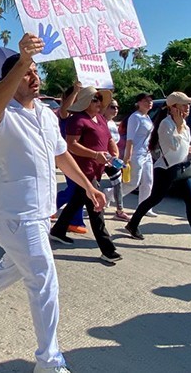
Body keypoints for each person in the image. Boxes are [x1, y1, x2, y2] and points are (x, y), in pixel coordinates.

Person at [0, 34, 105, 373]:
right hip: (14, 214)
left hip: (40, 213)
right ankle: (48, 361)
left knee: (13, 268)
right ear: (11, 79)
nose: (35, 78)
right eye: (28, 73)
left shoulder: (48, 115)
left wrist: (89, 186)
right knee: (44, 278)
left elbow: (61, 156)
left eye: (36, 72)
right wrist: (21, 60)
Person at [125, 92, 191, 253]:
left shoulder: (185, 125)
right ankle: (133, 223)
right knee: (154, 199)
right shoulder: (166, 124)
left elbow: (185, 147)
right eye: (184, 104)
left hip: (182, 168)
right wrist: (177, 127)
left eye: (189, 104)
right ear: (173, 107)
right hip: (166, 170)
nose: (188, 107)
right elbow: (172, 146)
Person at [49, 86, 122, 264]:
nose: (99, 102)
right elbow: (71, 145)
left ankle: (58, 230)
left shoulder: (101, 119)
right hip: (83, 171)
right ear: (85, 102)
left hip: (98, 169)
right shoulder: (77, 120)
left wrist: (114, 152)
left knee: (76, 201)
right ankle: (108, 249)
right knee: (96, 205)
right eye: (95, 99)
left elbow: (109, 139)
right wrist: (95, 154)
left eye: (99, 99)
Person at [53, 82, 88, 234]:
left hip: (80, 157)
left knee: (78, 189)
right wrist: (75, 90)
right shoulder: (66, 115)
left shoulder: (81, 115)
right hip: (67, 156)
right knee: (75, 189)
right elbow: (64, 110)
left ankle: (56, 208)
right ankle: (73, 220)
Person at [119, 93, 157, 219]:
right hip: (136, 154)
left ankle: (145, 207)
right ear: (138, 103)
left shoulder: (146, 117)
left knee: (148, 181)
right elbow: (130, 139)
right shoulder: (135, 117)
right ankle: (108, 195)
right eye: (146, 100)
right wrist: (127, 157)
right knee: (133, 183)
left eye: (150, 101)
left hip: (146, 154)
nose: (149, 103)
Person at [102, 98, 127, 220]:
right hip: (99, 158)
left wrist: (116, 157)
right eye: (112, 107)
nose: (115, 110)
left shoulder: (113, 123)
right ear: (105, 108)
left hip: (112, 159)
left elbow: (114, 142)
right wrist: (107, 158)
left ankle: (119, 210)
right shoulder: (99, 122)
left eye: (117, 107)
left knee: (118, 183)